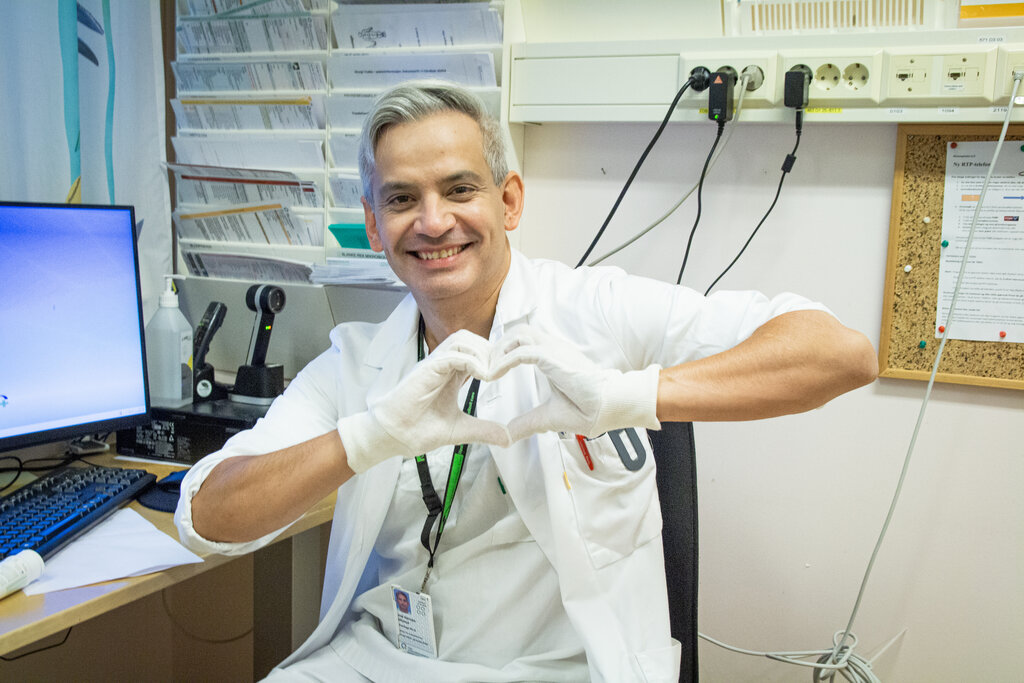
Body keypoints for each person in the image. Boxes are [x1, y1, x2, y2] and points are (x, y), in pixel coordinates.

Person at [174, 80, 878, 682]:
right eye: (400, 199)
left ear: (509, 201)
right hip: (383, 658)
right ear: (374, 224)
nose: (432, 221)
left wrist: (626, 397)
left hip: (560, 666)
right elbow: (205, 517)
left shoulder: (594, 311)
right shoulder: (358, 362)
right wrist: (369, 436)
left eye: (459, 189)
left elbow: (838, 353)